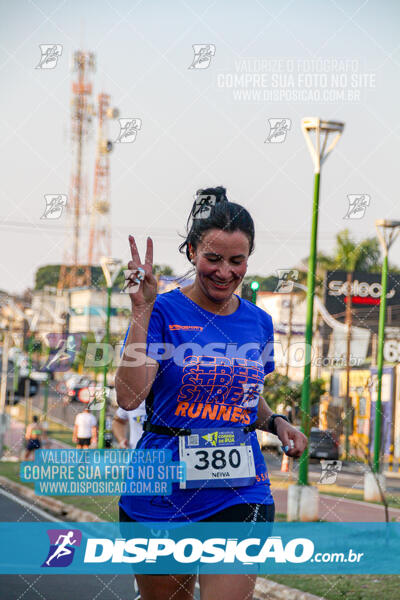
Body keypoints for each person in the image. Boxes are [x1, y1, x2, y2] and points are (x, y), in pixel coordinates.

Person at [115, 186, 308, 600]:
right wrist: (139, 311)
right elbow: (130, 398)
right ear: (191, 253)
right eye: (213, 259)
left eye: (237, 261)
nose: (225, 272)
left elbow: (246, 397)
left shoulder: (258, 322)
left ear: (248, 259)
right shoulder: (161, 311)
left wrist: (276, 421)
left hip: (240, 486)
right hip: (161, 484)